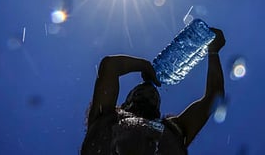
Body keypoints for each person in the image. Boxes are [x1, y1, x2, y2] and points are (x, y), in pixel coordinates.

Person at [81, 28, 226, 155]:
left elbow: (214, 97)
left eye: (153, 96)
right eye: (139, 93)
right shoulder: (105, 115)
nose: (148, 95)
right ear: (125, 103)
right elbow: (110, 66)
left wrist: (213, 52)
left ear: (158, 108)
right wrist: (144, 65)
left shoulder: (175, 129)